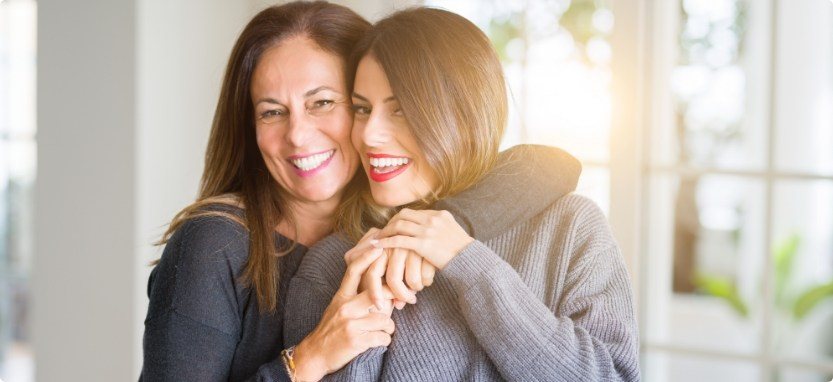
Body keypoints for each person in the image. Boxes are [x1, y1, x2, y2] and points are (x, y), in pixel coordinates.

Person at [139, 2, 582, 381]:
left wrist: (452, 222)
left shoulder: (394, 214)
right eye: (272, 112)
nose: (298, 135)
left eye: (323, 103)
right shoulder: (213, 244)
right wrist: (304, 361)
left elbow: (550, 166)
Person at [284, 7, 640, 382]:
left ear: (465, 113)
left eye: (401, 109)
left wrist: (467, 261)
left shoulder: (571, 228)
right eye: (362, 108)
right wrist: (371, 308)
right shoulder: (335, 264)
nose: (369, 134)